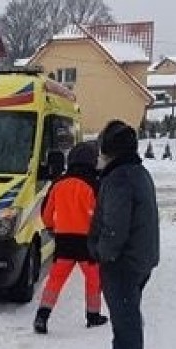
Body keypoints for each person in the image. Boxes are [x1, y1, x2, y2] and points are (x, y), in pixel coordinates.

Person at [88, 120, 160, 349]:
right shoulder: (135, 171)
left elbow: (115, 226)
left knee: (126, 320)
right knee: (123, 317)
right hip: (138, 258)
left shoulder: (119, 178)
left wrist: (102, 253)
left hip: (123, 262)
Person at [33, 142, 108, 334]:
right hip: (87, 243)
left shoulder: (59, 183)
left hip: (64, 240)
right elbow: (102, 215)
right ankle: (93, 315)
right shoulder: (95, 185)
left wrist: (51, 227)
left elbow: (46, 213)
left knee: (55, 280)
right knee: (93, 279)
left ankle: (42, 315)